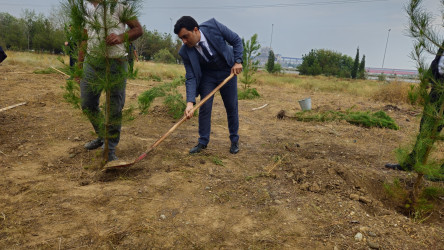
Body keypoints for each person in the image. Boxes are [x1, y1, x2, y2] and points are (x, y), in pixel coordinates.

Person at [77, 0, 143, 161]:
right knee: (87, 103)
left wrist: (121, 37)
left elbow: (138, 30)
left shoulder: (118, 5)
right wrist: (79, 68)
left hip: (116, 62)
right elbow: (85, 39)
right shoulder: (86, 8)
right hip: (92, 62)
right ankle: (101, 135)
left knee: (114, 107)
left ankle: (110, 150)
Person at [173, 16, 243, 154]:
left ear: (195, 30)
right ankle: (203, 142)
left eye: (186, 37)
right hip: (207, 76)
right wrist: (189, 102)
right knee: (205, 107)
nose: (184, 41)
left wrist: (238, 61)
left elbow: (236, 40)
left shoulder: (214, 26)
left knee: (231, 106)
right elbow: (191, 76)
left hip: (226, 70)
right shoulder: (185, 51)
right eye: (181, 38)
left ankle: (234, 140)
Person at [386, 43, 444, 181]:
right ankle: (413, 161)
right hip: (438, 88)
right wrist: (428, 79)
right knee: (426, 128)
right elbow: (438, 61)